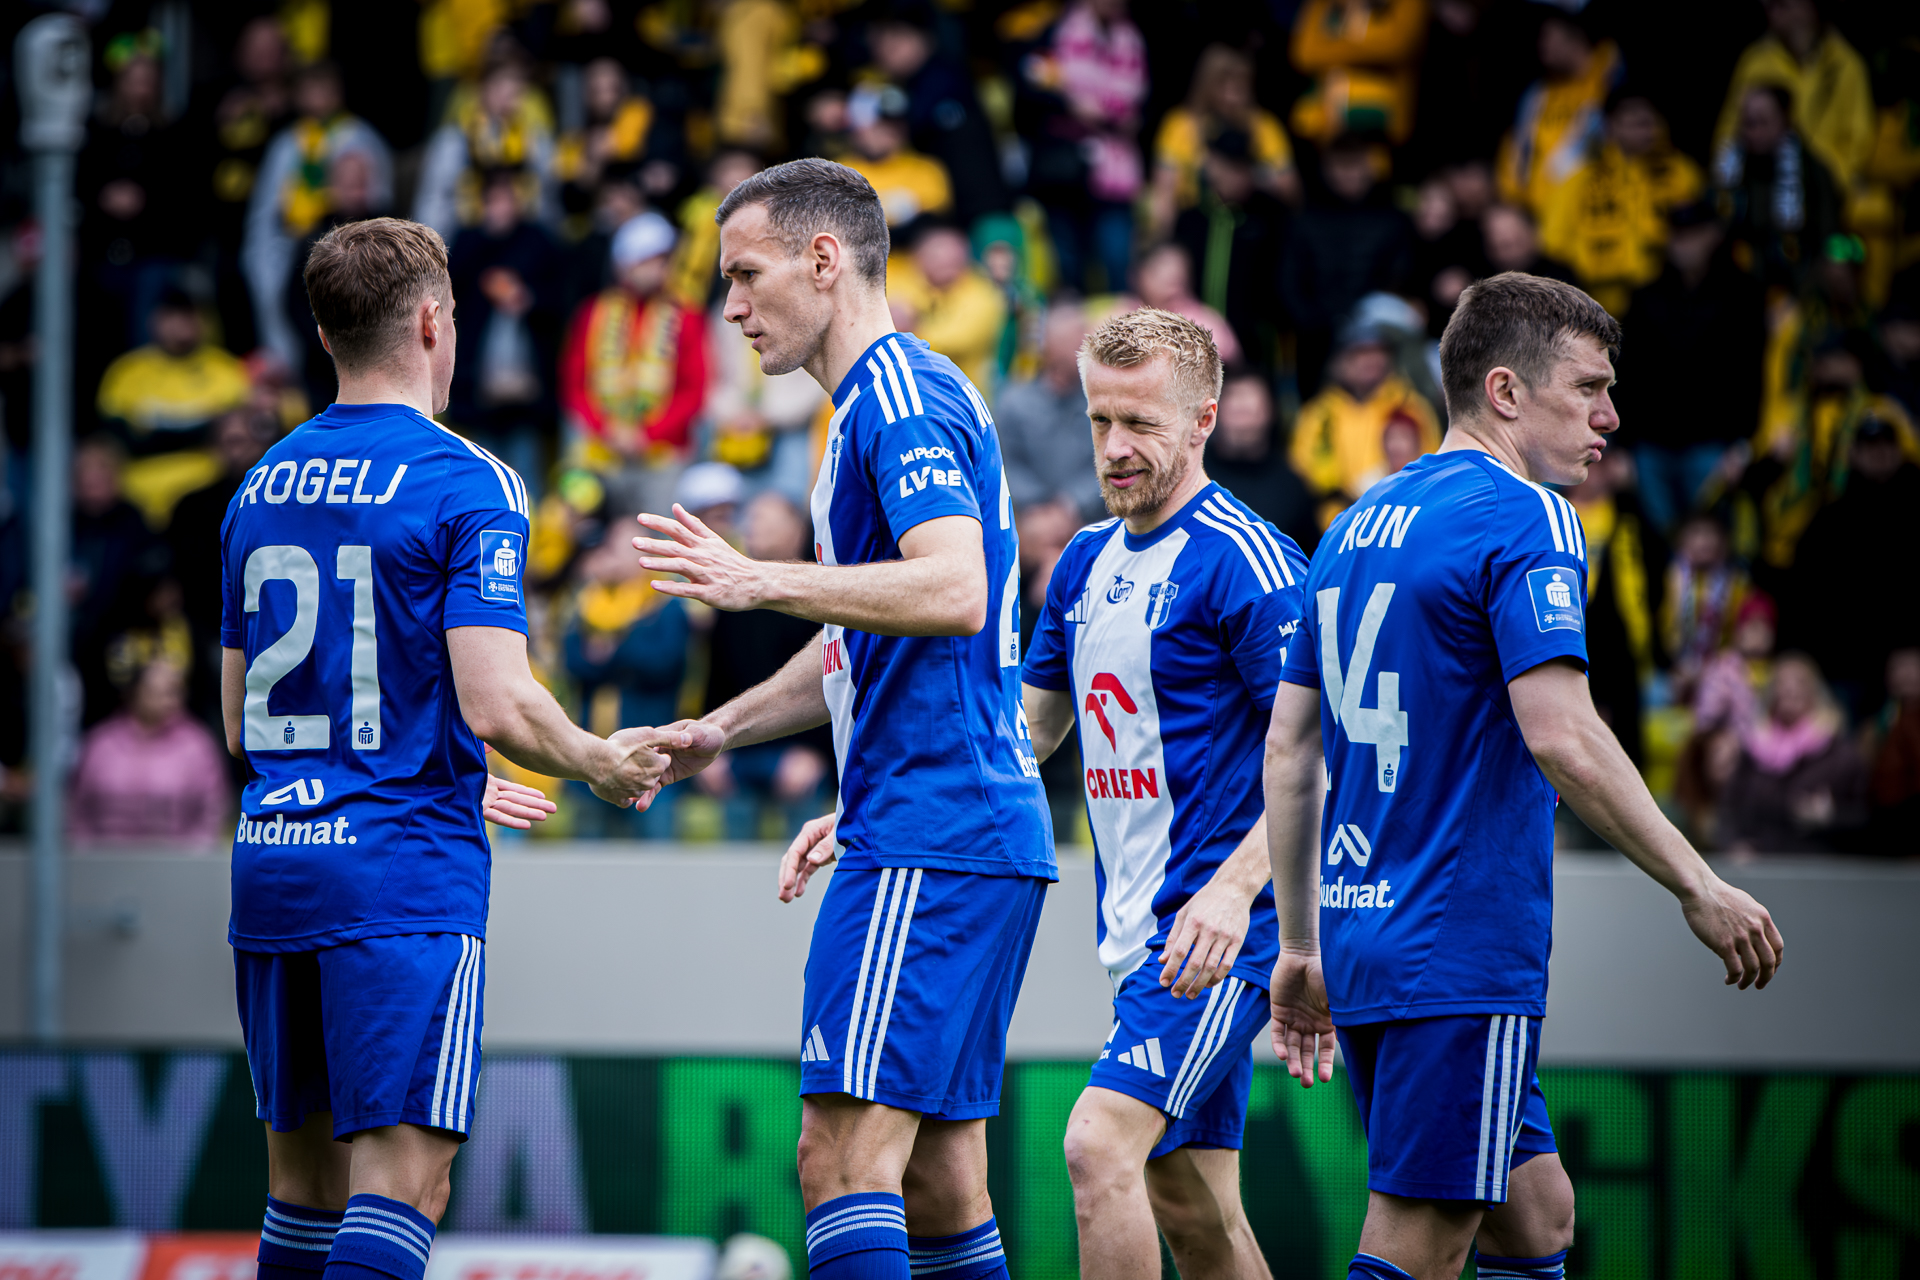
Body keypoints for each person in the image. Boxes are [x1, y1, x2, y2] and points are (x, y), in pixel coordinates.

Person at [1262, 271, 1783, 1280]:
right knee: (1421, 1239)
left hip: (1364, 933)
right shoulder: (1529, 515)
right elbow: (1563, 736)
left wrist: (1300, 941)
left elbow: (1289, 749)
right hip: (1457, 946)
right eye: (1588, 387)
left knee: (1534, 1214)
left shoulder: (1354, 523)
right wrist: (1698, 882)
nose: (1610, 416)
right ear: (1505, 391)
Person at [222, 217, 672, 1280]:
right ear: (432, 321)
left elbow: (241, 722)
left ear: (325, 334)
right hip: (399, 872)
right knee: (402, 1186)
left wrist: (433, 776)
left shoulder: (258, 484)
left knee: (302, 1193)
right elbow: (500, 703)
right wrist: (600, 760)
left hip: (275, 861)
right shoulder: (470, 481)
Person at [630, 158, 1052, 1280]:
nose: (730, 306)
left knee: (839, 1162)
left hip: (932, 827)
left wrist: (758, 579)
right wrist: (719, 729)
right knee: (939, 1178)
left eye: (745, 274)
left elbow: (953, 587)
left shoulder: (895, 397)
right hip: (956, 825)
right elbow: (858, 640)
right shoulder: (881, 402)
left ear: (825, 260)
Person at [1021, 307, 1306, 1280]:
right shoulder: (1081, 560)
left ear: (1203, 421)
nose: (1114, 447)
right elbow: (1028, 733)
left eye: (1141, 423)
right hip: (1139, 932)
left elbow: (1327, 756)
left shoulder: (1246, 560)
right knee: (1195, 1209)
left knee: (1098, 1144)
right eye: (1101, 420)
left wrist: (1232, 891)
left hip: (1223, 932)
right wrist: (871, 806)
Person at [1616, 200, 1768, 535]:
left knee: (1711, 538)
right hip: (1650, 443)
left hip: (1713, 442)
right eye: (1677, 235)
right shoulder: (1645, 297)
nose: (1684, 244)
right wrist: (1621, 446)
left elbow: (1751, 374)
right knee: (1658, 539)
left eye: (1693, 234)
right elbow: (1626, 375)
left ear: (1713, 235)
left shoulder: (1742, 295)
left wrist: (1743, 444)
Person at [244, 61, 394, 374]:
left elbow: (379, 201)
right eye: (309, 90)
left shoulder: (361, 137)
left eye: (325, 89)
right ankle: (287, 368)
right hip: (293, 241)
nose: (318, 97)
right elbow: (266, 208)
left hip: (343, 239)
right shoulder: (287, 143)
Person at [558, 211, 710, 511]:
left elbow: (694, 389)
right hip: (598, 454)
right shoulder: (592, 314)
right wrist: (606, 429)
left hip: (663, 458)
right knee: (585, 528)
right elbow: (574, 383)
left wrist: (647, 435)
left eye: (662, 261)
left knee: (661, 530)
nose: (657, 269)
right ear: (624, 265)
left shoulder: (687, 317)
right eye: (647, 261)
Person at [1538, 89, 1704, 317]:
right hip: (1599, 305)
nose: (1646, 131)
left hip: (1672, 303)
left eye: (1650, 122)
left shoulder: (1681, 173)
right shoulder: (1580, 181)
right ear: (1611, 125)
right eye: (1635, 123)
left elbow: (1705, 234)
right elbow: (1554, 243)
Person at [1289, 320, 1440, 529]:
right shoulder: (1318, 414)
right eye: (1359, 353)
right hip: (1334, 528)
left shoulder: (1411, 407)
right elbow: (1302, 477)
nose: (1371, 361)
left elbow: (1432, 468)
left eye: (1379, 352)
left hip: (1400, 522)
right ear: (1339, 361)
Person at [68, 657, 231, 849]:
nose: (169, 699)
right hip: (104, 861)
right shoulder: (101, 743)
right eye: (158, 691)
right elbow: (78, 807)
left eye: (174, 691)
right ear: (135, 692)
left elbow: (214, 809)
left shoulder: (198, 745)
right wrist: (85, 854)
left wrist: (193, 856)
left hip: (176, 861)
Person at [1713, 0, 1874, 192]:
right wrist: (1727, 184)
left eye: (1782, 5)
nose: (1771, 11)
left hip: (1829, 190)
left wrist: (1823, 181)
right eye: (1768, 5)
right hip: (1762, 186)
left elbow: (1858, 141)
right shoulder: (1755, 61)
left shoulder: (1844, 65)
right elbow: (1729, 131)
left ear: (1809, 7)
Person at [1718, 653, 1868, 854]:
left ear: (1815, 692)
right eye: (1781, 682)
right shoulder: (1752, 749)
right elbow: (1728, 809)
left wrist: (1831, 816)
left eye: (1799, 681)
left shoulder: (1840, 754)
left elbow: (1865, 817)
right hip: (1758, 863)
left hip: (1817, 864)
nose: (1790, 688)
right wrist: (1733, 844)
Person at [1150, 44, 1299, 239]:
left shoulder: (1262, 126)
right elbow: (1162, 190)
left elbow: (1291, 189)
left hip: (1248, 227)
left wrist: (1249, 176)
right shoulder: (1181, 124)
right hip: (1193, 227)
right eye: (1222, 85)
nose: (1231, 95)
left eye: (1239, 86)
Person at [1494, 13, 1622, 217]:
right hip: (1537, 213)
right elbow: (1518, 149)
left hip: (1593, 210)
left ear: (1577, 35)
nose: (1541, 45)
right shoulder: (1537, 93)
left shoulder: (1609, 74)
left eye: (1548, 36)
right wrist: (1514, 201)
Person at [997, 304, 1104, 521]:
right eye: (1067, 341)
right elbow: (1006, 465)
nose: (1077, 350)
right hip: (1029, 521)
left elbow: (1108, 461)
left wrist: (1070, 505)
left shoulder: (1102, 403)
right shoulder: (1014, 403)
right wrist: (1040, 509)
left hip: (1092, 519)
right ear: (1045, 345)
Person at [1204, 369, 1318, 554]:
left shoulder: (1292, 487)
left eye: (1250, 410)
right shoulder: (1191, 477)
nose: (1243, 422)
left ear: (1271, 411)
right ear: (1214, 413)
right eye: (1236, 410)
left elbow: (1310, 559)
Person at [886, 221, 1008, 393]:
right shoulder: (906, 281)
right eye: (936, 256)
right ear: (917, 258)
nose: (946, 264)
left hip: (961, 393)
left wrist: (907, 329)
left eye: (953, 259)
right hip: (911, 389)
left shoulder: (984, 294)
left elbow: (956, 341)